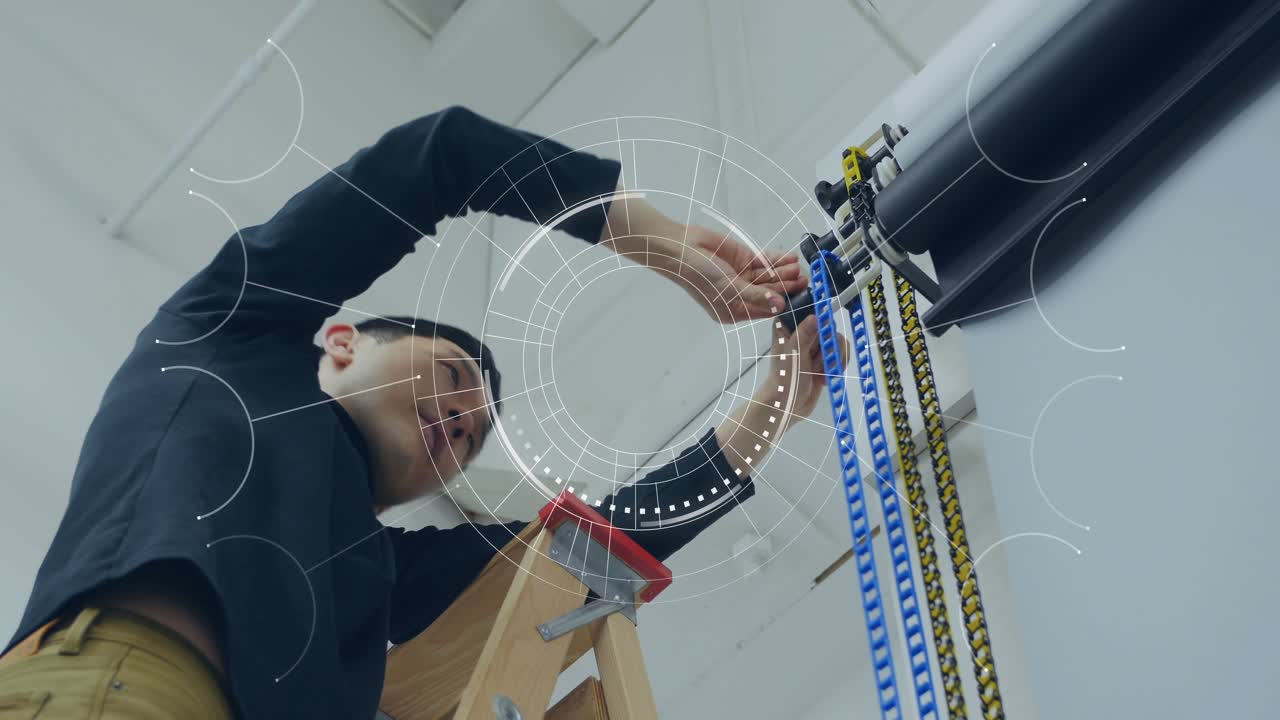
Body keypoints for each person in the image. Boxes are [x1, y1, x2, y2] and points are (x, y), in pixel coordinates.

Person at [0, 107, 840, 719]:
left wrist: (763, 418)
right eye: (449, 375)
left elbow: (580, 554)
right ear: (339, 343)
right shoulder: (225, 342)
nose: (463, 418)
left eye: (472, 434)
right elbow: (441, 158)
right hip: (124, 686)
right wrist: (645, 233)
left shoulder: (374, 571)